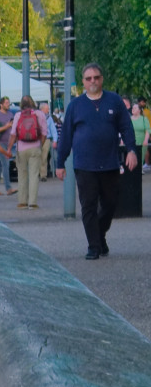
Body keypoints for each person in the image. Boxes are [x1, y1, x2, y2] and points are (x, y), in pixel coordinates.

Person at [56, 63, 138, 259]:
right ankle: (94, 246)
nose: (93, 81)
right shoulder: (75, 106)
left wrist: (131, 150)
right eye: (88, 78)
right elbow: (66, 136)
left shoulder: (114, 101)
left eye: (96, 77)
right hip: (84, 165)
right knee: (89, 206)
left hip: (109, 162)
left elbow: (126, 127)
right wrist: (60, 163)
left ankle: (99, 234)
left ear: (102, 79)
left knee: (110, 204)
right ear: (83, 82)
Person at [11, 95, 47, 209]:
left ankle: (22, 202)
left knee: (22, 175)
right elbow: (45, 133)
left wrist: (9, 148)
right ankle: (32, 202)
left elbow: (13, 133)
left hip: (21, 148)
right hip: (35, 147)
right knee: (34, 175)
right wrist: (40, 145)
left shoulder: (18, 115)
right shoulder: (39, 114)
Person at [0, 97, 16, 194]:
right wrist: (6, 126)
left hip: (9, 143)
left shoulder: (10, 114)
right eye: (6, 103)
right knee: (6, 163)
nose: (8, 104)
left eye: (9, 102)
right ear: (1, 105)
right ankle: (8, 188)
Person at [39, 101, 57, 180]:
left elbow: (53, 129)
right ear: (42, 109)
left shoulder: (49, 118)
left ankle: (43, 175)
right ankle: (36, 173)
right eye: (47, 109)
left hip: (46, 139)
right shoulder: (36, 116)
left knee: (44, 157)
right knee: (36, 157)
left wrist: (55, 140)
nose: (48, 110)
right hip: (37, 139)